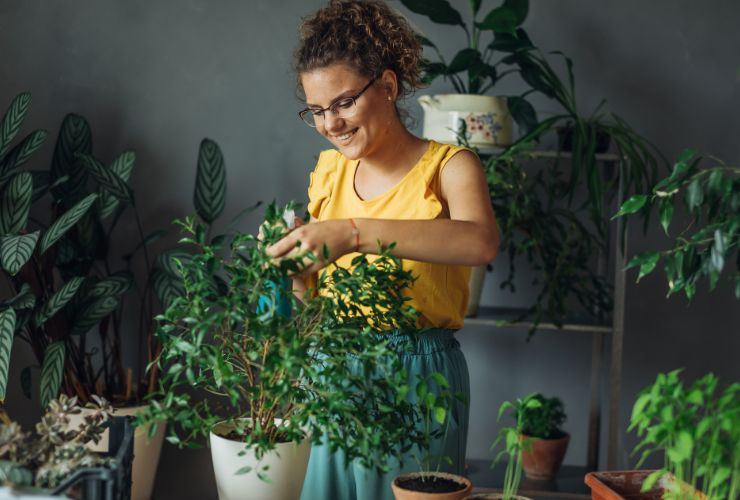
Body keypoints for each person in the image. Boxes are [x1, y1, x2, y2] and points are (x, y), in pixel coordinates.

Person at [266, 1, 499, 498]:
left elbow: (479, 241)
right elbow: (312, 303)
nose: (331, 124)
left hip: (419, 376)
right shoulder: (329, 173)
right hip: (332, 372)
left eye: (345, 102)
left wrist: (351, 232)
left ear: (388, 86)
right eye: (317, 110)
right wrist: (292, 270)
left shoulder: (450, 167)